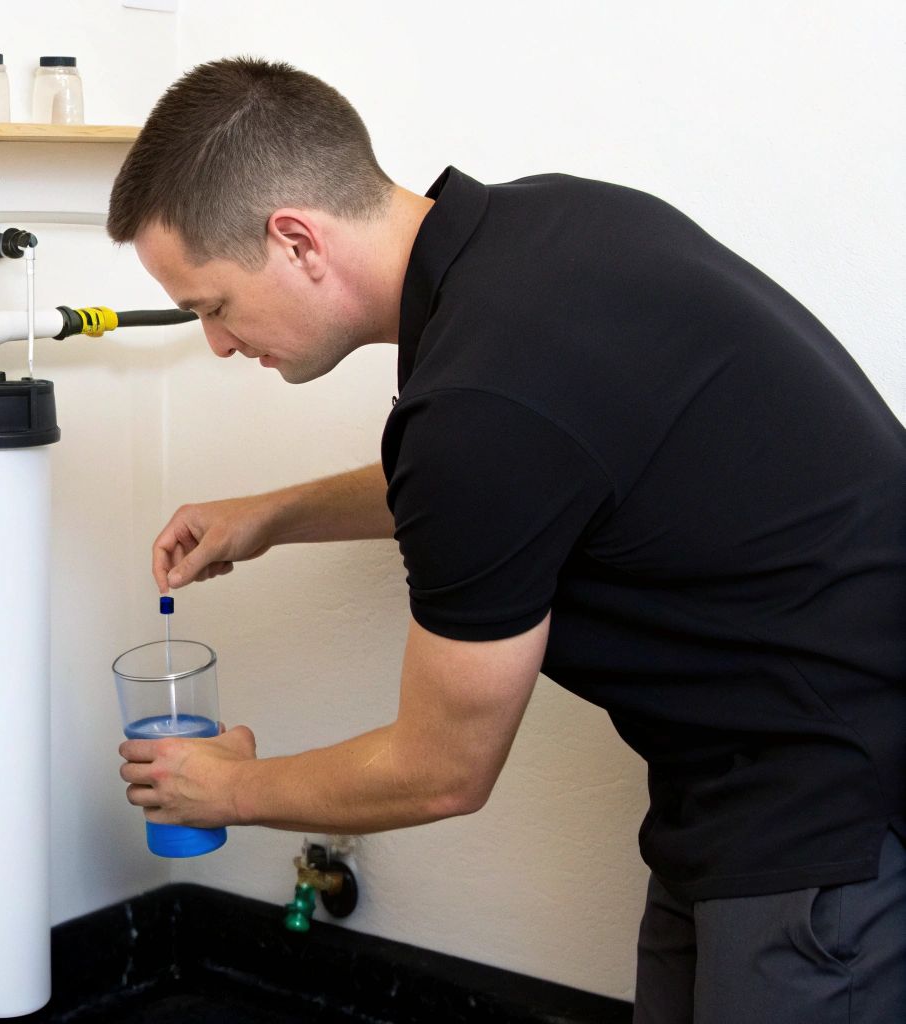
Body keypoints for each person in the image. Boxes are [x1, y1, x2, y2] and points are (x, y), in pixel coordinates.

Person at [107, 57, 905, 1023]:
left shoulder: (479, 407)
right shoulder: (546, 228)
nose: (220, 346)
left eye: (214, 306)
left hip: (837, 796)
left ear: (295, 239)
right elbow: (535, 477)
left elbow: (443, 771)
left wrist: (227, 790)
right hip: (740, 777)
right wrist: (271, 516)